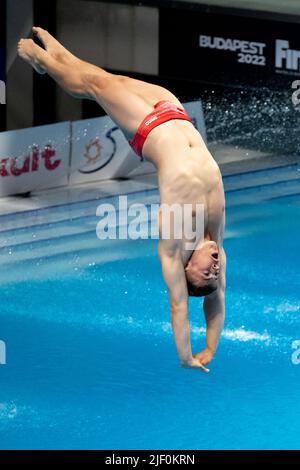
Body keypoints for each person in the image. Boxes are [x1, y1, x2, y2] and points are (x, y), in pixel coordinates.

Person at [18, 27, 226, 372]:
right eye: (216, 274)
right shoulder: (215, 238)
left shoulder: (174, 243)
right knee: (107, 79)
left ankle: (41, 59)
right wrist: (212, 346)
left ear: (188, 269)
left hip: (149, 129)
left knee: (96, 86)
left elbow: (179, 306)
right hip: (174, 112)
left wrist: (187, 356)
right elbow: (217, 300)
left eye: (206, 274)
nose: (215, 269)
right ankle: (58, 56)